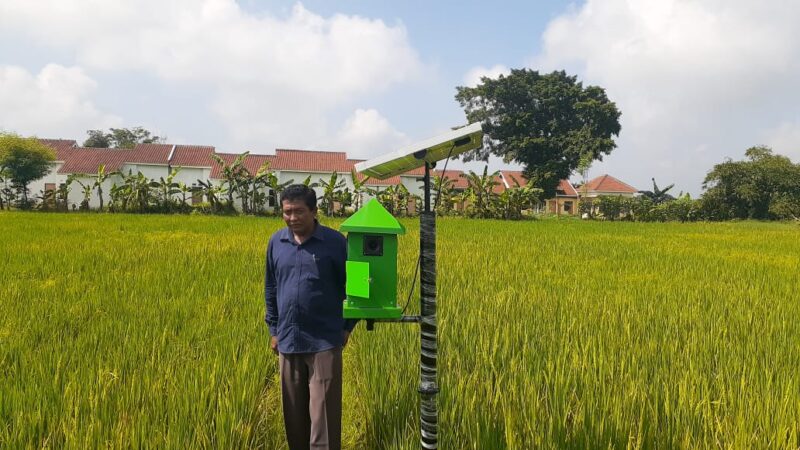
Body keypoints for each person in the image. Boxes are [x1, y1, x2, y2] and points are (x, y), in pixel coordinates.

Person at [265, 184, 356, 450]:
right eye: (287, 212)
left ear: (315, 212)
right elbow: (271, 287)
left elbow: (355, 287)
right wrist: (273, 329)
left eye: (299, 212)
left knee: (324, 417)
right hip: (288, 339)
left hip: (325, 340)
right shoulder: (276, 242)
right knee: (293, 416)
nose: (292, 218)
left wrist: (348, 327)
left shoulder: (335, 243)